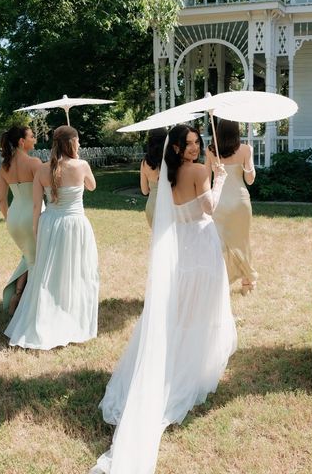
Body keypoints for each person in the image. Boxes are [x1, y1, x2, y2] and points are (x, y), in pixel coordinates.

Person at [90, 124, 237, 474]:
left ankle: (181, 354)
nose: (195, 147)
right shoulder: (201, 171)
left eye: (198, 143)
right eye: (189, 144)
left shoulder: (168, 175)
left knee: (181, 310)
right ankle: (193, 364)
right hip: (200, 249)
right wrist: (220, 179)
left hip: (179, 251)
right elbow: (209, 209)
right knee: (200, 308)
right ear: (176, 148)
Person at [4, 125, 99, 350]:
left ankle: (48, 315)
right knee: (75, 271)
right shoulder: (82, 165)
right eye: (78, 141)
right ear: (72, 143)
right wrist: (79, 162)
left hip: (49, 224)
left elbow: (37, 206)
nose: (80, 145)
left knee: (49, 274)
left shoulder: (42, 170)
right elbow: (92, 187)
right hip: (74, 224)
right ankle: (71, 315)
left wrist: (38, 231)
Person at [205, 119, 258, 294]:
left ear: (218, 131)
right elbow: (250, 180)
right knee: (243, 241)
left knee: (220, 243)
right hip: (240, 202)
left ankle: (220, 279)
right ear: (237, 131)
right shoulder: (246, 149)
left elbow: (205, 178)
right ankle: (247, 282)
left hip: (218, 202)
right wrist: (248, 159)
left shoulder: (211, 151)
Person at [0, 125, 42, 315]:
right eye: (32, 136)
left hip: (14, 218)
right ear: (22, 142)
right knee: (37, 261)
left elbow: (1, 200)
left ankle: (18, 295)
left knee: (29, 258)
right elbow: (47, 192)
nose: (35, 140)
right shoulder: (34, 163)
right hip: (32, 215)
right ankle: (31, 307)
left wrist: (10, 219)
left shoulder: (4, 166)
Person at [140, 128, 167, 227]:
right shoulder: (171, 161)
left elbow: (144, 191)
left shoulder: (144, 163)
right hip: (169, 205)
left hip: (152, 206)